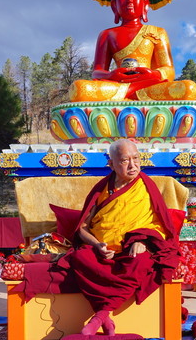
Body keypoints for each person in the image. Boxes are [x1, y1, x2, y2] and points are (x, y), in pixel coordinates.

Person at [69, 139, 180, 335]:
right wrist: (96, 245)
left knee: (143, 261)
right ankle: (105, 319)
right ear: (111, 164)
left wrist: (143, 241)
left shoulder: (147, 187)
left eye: (136, 158)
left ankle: (101, 316)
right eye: (125, 160)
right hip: (103, 251)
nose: (133, 165)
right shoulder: (101, 190)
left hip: (131, 249)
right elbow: (82, 229)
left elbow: (161, 226)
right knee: (79, 256)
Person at [69, 0, 196, 102]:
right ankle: (129, 93)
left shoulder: (158, 32)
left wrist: (153, 73)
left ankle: (128, 95)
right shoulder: (107, 34)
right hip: (118, 85)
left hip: (148, 86)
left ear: (145, 4)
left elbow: (169, 70)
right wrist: (111, 75)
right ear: (114, 6)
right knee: (80, 88)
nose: (130, 0)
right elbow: (97, 72)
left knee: (189, 88)